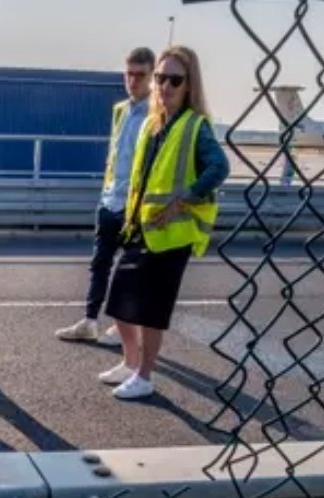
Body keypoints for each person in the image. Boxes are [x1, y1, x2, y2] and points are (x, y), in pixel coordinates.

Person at [98, 45, 230, 401]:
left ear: (189, 85)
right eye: (160, 78)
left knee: (151, 312)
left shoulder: (195, 126)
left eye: (175, 79)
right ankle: (129, 363)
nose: (164, 86)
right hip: (142, 227)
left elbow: (219, 168)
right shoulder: (152, 126)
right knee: (119, 303)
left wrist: (185, 197)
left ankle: (145, 375)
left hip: (173, 235)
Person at [55, 47, 156, 348]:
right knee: (99, 264)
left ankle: (122, 328)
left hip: (134, 206)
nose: (133, 81)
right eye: (129, 74)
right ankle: (89, 320)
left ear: (151, 76)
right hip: (111, 200)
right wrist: (105, 193)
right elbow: (117, 154)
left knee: (130, 274)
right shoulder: (121, 110)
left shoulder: (156, 114)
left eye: (140, 75)